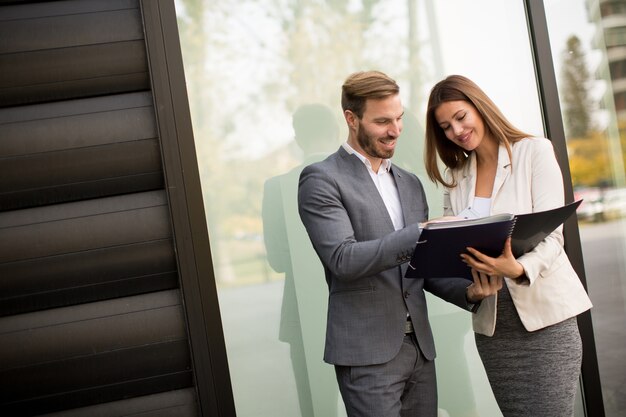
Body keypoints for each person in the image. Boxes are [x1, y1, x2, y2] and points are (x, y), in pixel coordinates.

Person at [297, 70, 500, 417]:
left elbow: (422, 268)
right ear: (351, 119)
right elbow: (343, 260)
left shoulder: (409, 183)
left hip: (420, 349)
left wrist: (469, 293)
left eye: (399, 118)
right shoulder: (321, 179)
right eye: (382, 122)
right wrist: (422, 231)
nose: (395, 130)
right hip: (366, 355)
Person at [424, 74, 593, 417]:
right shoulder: (456, 179)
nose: (456, 131)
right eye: (445, 127)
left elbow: (553, 235)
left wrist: (517, 268)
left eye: (460, 117)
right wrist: (470, 286)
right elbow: (453, 251)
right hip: (495, 331)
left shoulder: (534, 151)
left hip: (546, 321)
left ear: (480, 107)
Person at [262, 103, 341, 417]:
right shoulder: (359, 177)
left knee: (317, 409)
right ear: (336, 132)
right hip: (362, 313)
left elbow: (278, 260)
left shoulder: (277, 188)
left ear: (298, 138)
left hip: (302, 316)